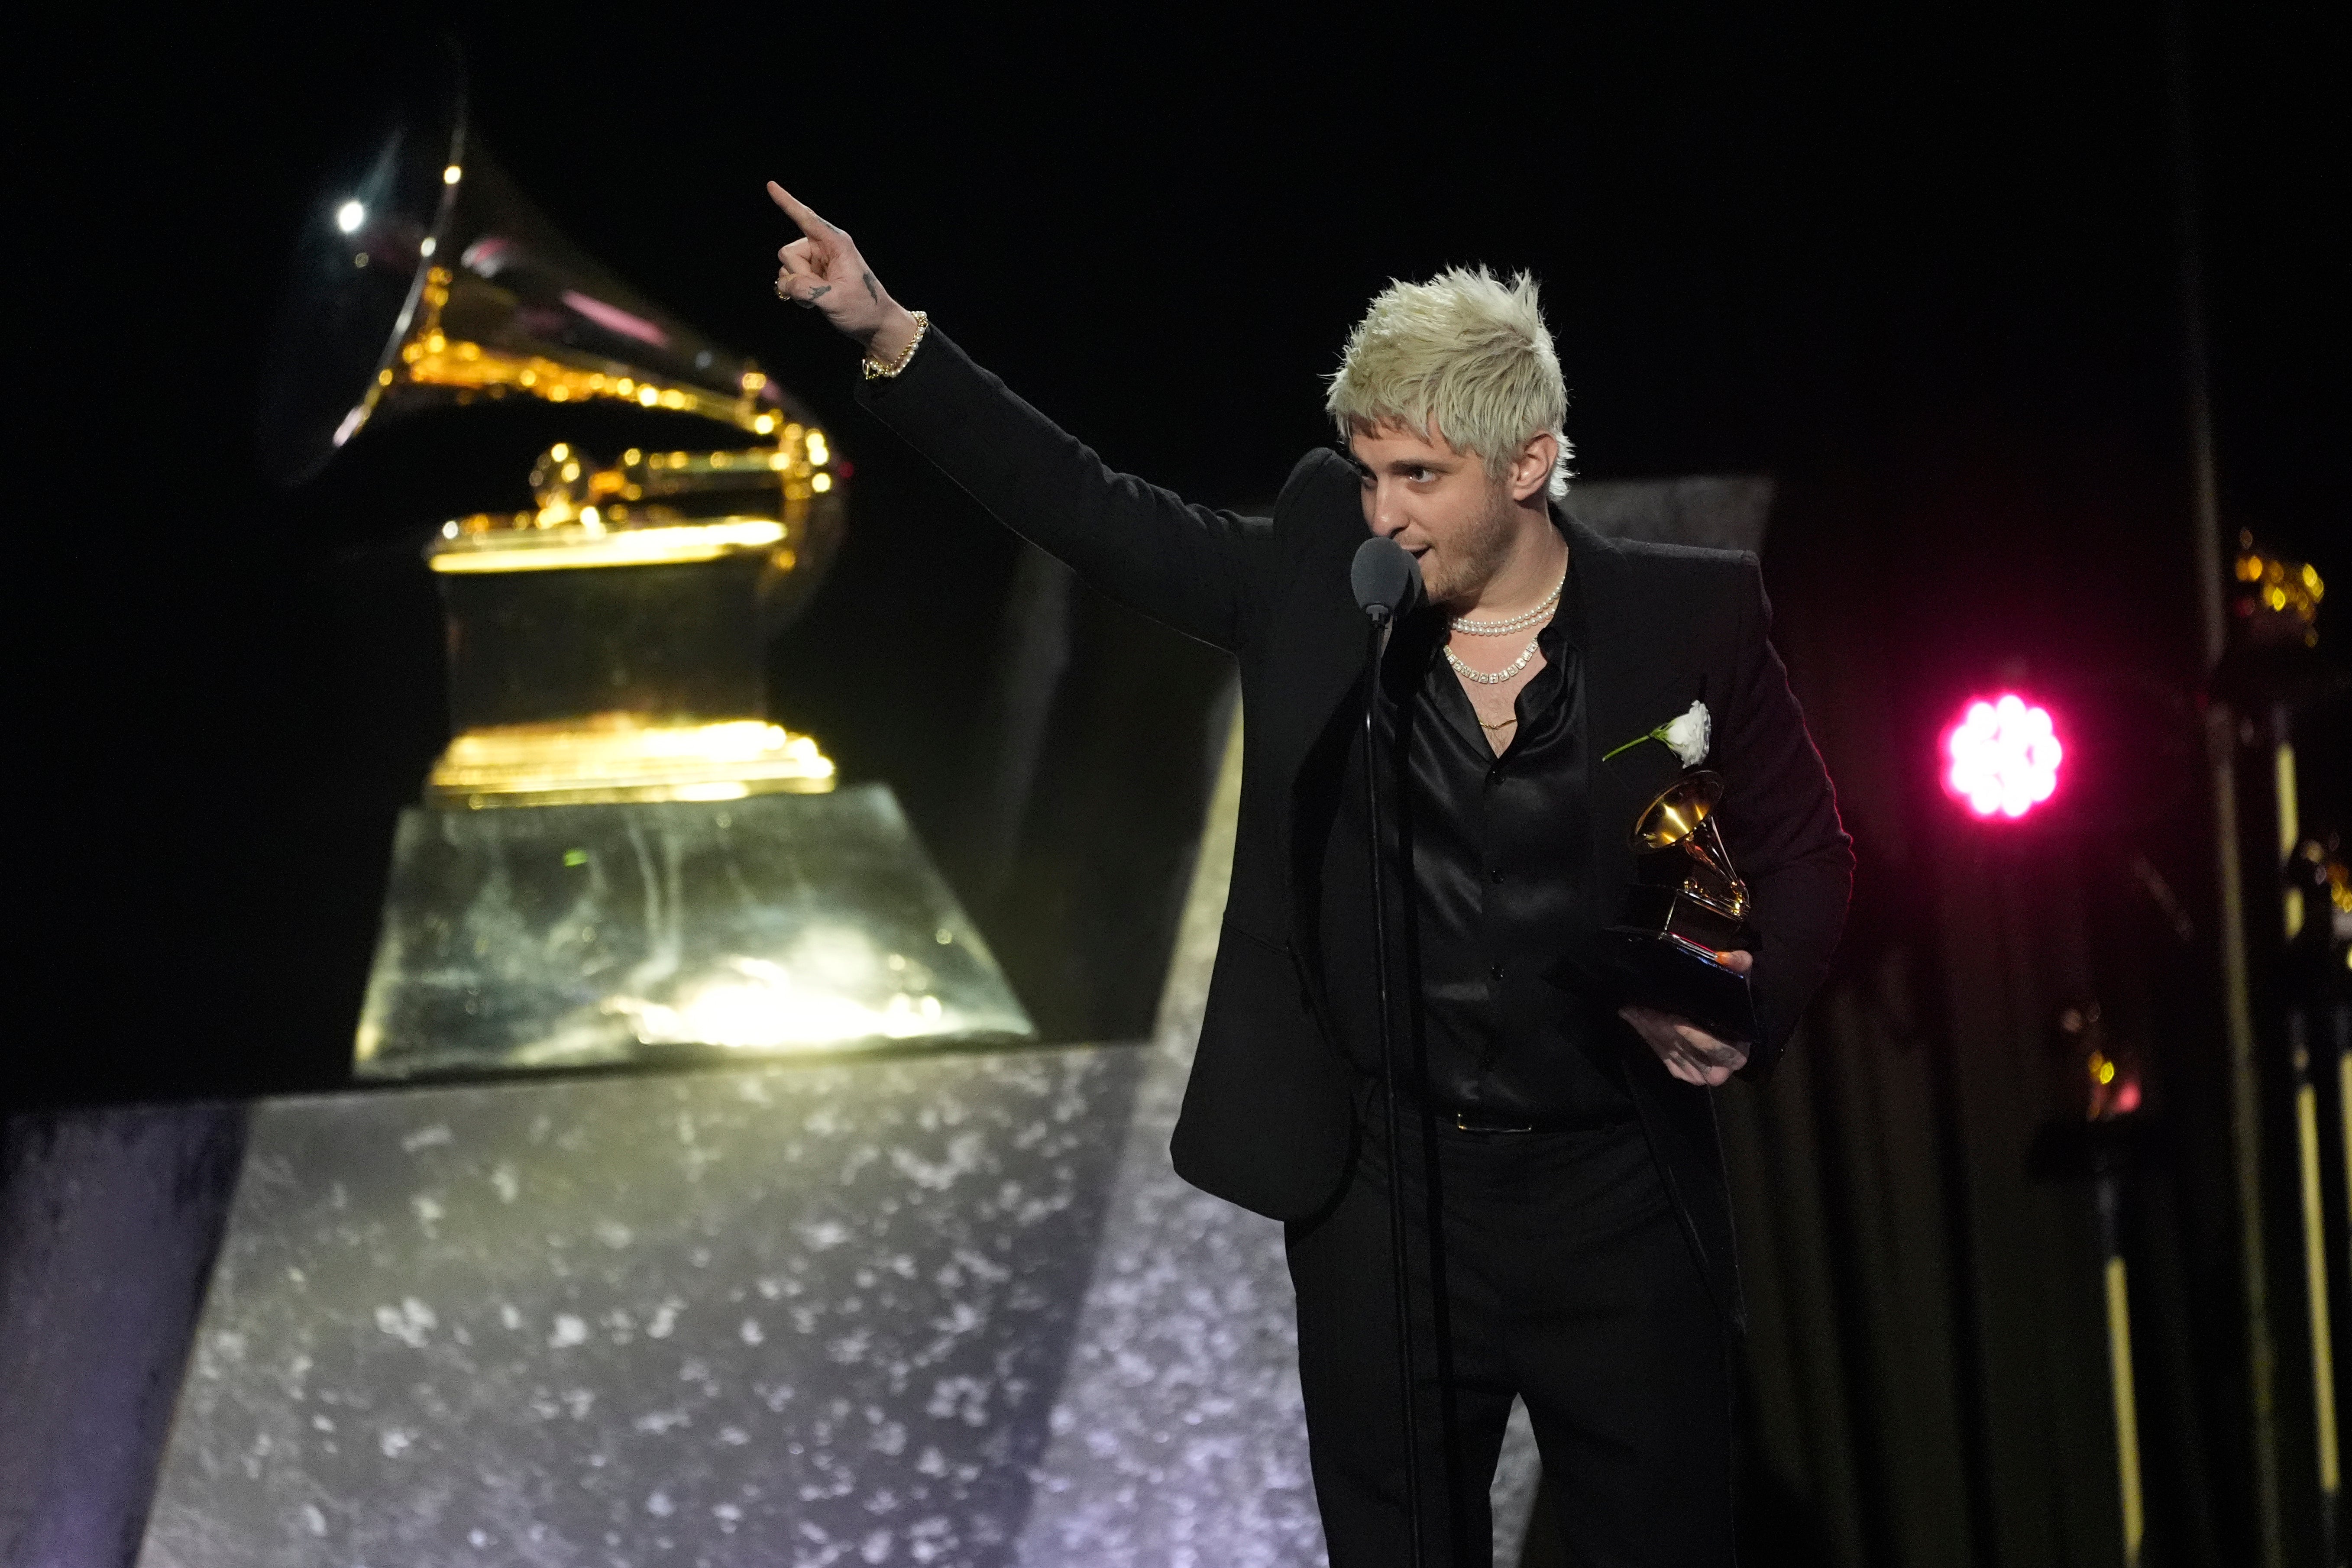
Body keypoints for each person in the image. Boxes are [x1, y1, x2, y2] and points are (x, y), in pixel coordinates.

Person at [763, 180, 1852, 1568]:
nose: (1383, 512)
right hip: (1389, 1205)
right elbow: (1097, 512)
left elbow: (1810, 846)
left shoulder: (1683, 617)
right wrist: (893, 333)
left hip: (1615, 1200)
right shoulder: (1323, 585)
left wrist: (1753, 995)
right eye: (1367, 471)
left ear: (1526, 465)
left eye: (1420, 478)